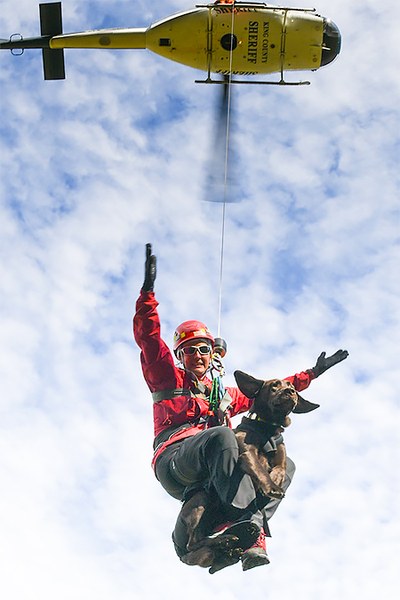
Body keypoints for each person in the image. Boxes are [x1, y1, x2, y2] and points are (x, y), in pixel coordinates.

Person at [133, 244, 348, 571]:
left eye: (202, 349)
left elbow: (267, 393)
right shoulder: (167, 378)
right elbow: (149, 339)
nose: (197, 356)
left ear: (211, 353)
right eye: (189, 351)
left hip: (205, 476)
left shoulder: (223, 394)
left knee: (283, 466)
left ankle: (244, 531)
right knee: (225, 436)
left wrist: (311, 374)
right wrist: (147, 295)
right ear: (180, 357)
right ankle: (242, 518)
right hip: (175, 459)